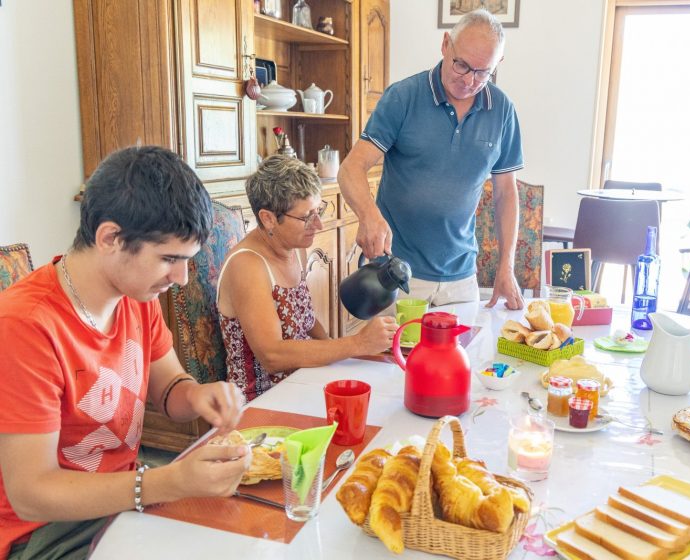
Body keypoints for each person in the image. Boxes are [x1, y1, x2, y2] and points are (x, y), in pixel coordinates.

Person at [0, 146, 252, 559]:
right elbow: (31, 492)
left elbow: (169, 388)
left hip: (124, 501)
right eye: (169, 258)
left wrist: (199, 396)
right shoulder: (25, 324)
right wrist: (166, 483)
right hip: (48, 533)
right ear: (110, 238)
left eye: (187, 260)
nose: (181, 277)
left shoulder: (136, 294)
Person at [338, 9, 525, 310]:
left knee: (467, 357)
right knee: (394, 358)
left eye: (482, 72)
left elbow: (506, 193)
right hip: (397, 272)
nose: (468, 80)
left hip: (462, 279)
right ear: (445, 44)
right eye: (461, 65)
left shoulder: (502, 110)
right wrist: (369, 216)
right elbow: (351, 169)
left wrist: (506, 266)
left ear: (497, 64)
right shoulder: (403, 97)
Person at [217, 155, 397, 401]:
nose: (319, 224)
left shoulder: (291, 247)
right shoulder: (247, 265)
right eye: (306, 217)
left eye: (318, 210)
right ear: (268, 218)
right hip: (261, 401)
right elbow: (273, 356)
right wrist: (357, 344)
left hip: (301, 383)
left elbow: (308, 321)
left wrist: (343, 359)